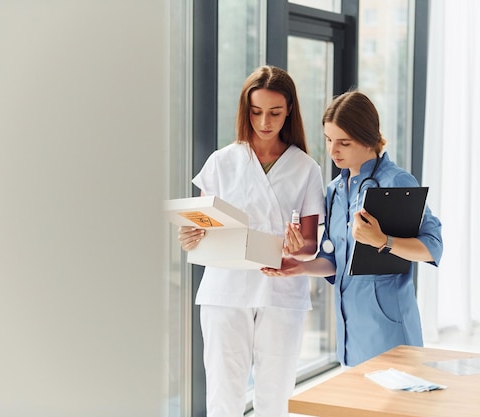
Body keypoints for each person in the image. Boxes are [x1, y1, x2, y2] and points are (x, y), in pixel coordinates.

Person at [177, 65, 325, 417]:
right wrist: (190, 236)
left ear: (289, 110)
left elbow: (310, 243)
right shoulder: (222, 162)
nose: (264, 122)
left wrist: (296, 246)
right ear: (246, 111)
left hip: (280, 292)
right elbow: (203, 228)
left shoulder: (306, 168)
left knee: (275, 396)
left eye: (274, 112)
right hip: (226, 290)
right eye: (256, 112)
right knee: (224, 393)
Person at [262, 91, 443, 367]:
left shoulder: (397, 181)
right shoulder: (335, 190)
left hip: (389, 332)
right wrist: (300, 267)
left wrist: (383, 240)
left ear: (368, 138)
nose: (333, 151)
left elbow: (433, 246)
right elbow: (335, 260)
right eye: (329, 140)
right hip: (349, 334)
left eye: (343, 143)